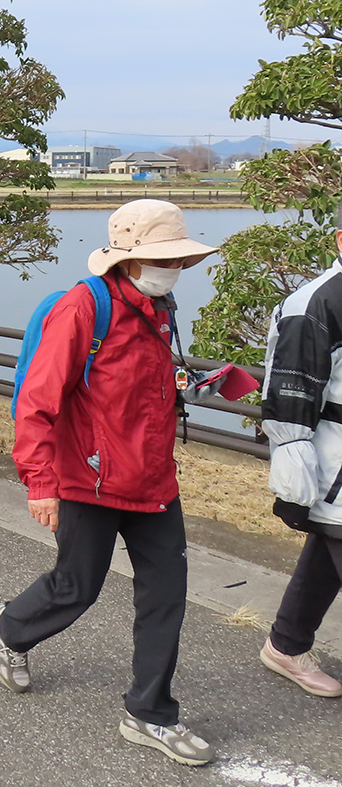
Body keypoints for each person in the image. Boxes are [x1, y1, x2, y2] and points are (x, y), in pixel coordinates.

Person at [0, 199, 220, 766]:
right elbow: (38, 402)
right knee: (77, 586)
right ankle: (12, 628)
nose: (176, 269)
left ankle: (149, 712)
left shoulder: (159, 308)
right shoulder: (82, 309)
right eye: (166, 259)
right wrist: (40, 482)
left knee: (166, 594)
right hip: (86, 479)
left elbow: (142, 388)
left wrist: (199, 382)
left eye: (181, 260)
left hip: (154, 481)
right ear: (128, 259)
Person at [257, 203, 342, 700]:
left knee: (327, 554)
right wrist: (295, 483)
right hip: (334, 460)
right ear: (338, 239)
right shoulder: (315, 305)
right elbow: (290, 403)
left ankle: (286, 644)